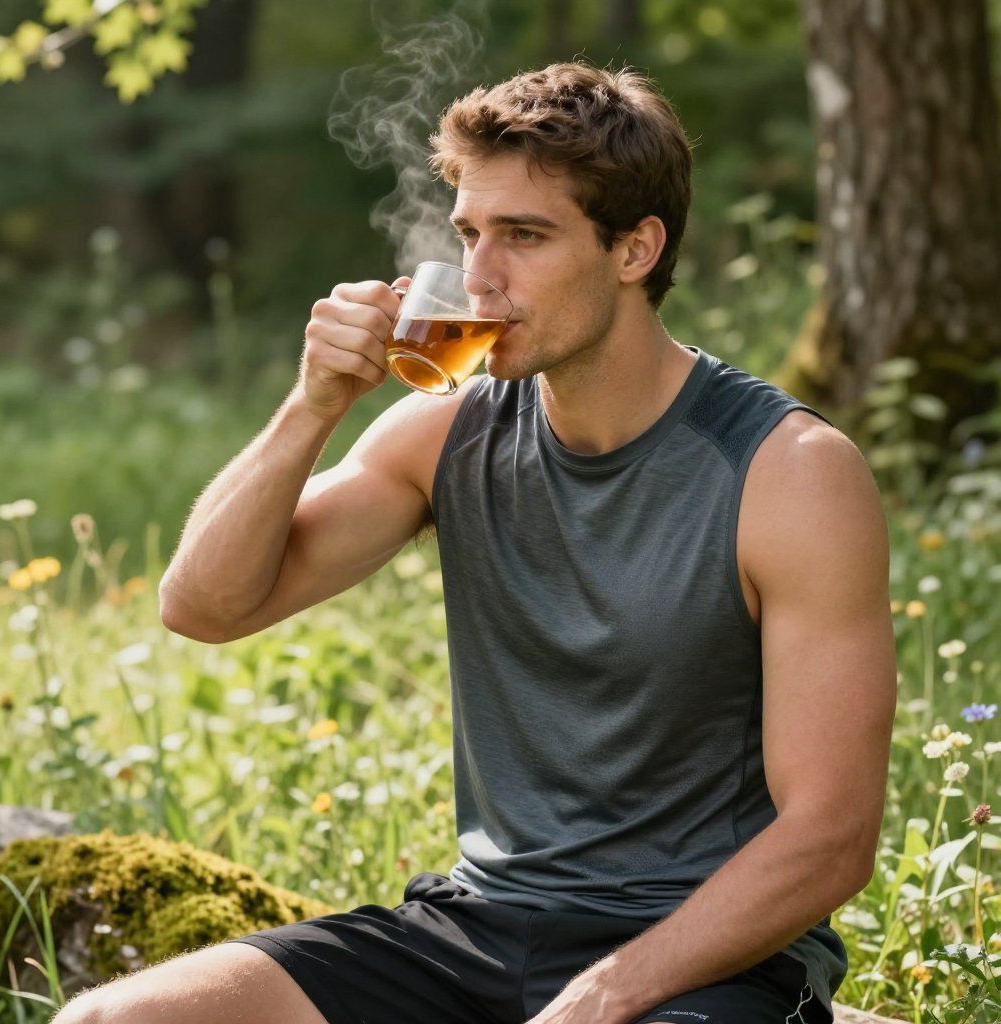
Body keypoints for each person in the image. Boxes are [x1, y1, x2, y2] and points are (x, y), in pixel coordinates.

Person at [54, 60, 896, 1024]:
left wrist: (602, 996)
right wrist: (313, 404)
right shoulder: (448, 428)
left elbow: (832, 836)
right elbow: (202, 606)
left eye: (525, 237)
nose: (481, 276)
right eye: (469, 234)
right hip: (477, 930)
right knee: (108, 1022)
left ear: (635, 249)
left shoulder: (790, 474)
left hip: (700, 960)